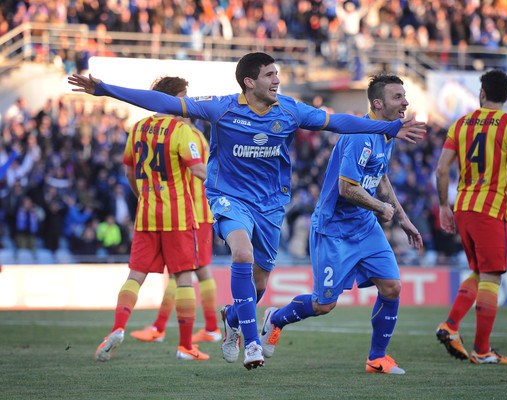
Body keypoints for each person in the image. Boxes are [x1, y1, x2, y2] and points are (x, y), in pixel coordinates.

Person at [68, 52, 426, 370]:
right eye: (270, 75)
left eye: (277, 75)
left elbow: (339, 123)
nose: (277, 80)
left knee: (259, 283)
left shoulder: (289, 110)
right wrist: (105, 89)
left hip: (270, 205)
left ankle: (231, 318)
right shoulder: (221, 107)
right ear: (249, 82)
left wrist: (388, 128)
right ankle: (252, 343)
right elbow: (158, 101)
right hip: (228, 197)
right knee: (241, 251)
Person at [256, 73, 423, 374]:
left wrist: (402, 218)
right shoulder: (360, 136)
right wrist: (379, 206)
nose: (405, 102)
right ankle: (276, 319)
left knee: (392, 286)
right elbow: (348, 188)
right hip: (333, 229)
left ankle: (377, 358)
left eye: (404, 96)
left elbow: (379, 175)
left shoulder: (385, 133)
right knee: (323, 305)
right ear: (377, 103)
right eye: (398, 97)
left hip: (364, 227)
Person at [434, 69, 507, 365]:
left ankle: (450, 325)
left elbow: (441, 169)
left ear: (482, 93)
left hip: (462, 208)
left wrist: (444, 206)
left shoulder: (459, 124)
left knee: (480, 272)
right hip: (491, 209)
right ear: (506, 97)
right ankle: (482, 350)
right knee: (492, 277)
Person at [94, 77, 210, 363]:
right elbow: (199, 172)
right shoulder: (182, 131)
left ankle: (117, 327)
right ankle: (185, 347)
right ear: (176, 97)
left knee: (135, 276)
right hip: (179, 217)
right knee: (183, 279)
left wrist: (142, 196)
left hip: (146, 215)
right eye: (185, 96)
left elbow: (129, 172)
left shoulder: (137, 128)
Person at [130, 77, 221, 344]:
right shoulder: (193, 133)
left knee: (188, 271)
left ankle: (194, 327)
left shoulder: (187, 133)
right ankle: (201, 327)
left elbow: (199, 172)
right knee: (190, 271)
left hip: (192, 212)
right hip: (195, 211)